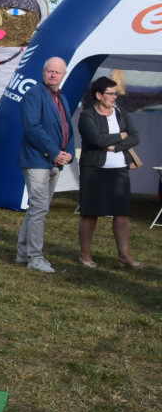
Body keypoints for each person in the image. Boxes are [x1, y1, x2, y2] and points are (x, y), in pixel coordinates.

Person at [16, 57, 75, 274]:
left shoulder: (61, 98)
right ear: (43, 72)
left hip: (54, 160)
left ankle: (23, 253)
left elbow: (66, 127)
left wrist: (68, 153)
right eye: (49, 71)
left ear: (63, 75)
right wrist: (54, 153)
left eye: (57, 72)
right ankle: (35, 258)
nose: (53, 75)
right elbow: (32, 128)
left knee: (37, 208)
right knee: (40, 208)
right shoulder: (34, 94)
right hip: (38, 160)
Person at [76, 76, 142, 269]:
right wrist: (121, 135)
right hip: (93, 170)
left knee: (122, 214)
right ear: (98, 95)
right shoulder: (87, 116)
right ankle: (85, 254)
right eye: (111, 93)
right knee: (89, 213)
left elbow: (135, 137)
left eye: (116, 93)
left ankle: (124, 255)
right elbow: (96, 139)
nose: (115, 97)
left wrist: (114, 146)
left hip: (118, 169)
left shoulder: (121, 113)